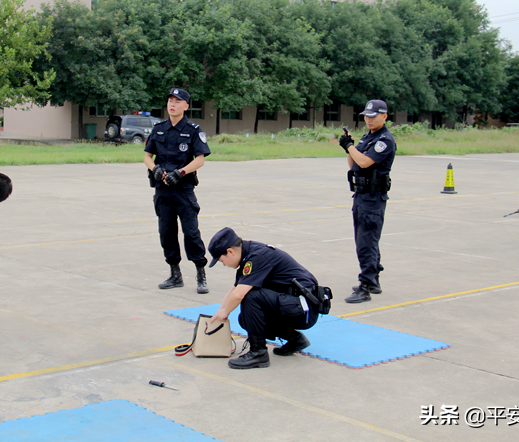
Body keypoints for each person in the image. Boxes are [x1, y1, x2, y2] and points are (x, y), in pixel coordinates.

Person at [207, 227, 323, 369]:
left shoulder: (257, 257)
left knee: (250, 296)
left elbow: (239, 294)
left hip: (304, 308)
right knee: (246, 319)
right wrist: (221, 310)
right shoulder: (247, 254)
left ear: (230, 251)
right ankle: (295, 339)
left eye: (222, 260)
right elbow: (235, 289)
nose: (224, 264)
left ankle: (258, 353)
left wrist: (226, 312)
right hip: (294, 304)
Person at [144, 88, 211, 294]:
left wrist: (181, 173)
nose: (172, 104)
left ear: (186, 106)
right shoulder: (159, 128)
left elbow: (200, 159)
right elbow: (147, 156)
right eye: (170, 101)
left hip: (183, 189)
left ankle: (200, 274)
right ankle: (175, 274)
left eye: (177, 101)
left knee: (191, 233)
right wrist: (155, 169)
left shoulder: (193, 130)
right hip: (163, 191)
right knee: (166, 233)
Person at [339, 99, 397, 303]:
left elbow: (364, 162)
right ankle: (373, 281)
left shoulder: (384, 140)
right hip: (362, 195)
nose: (369, 120)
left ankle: (365, 286)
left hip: (373, 198)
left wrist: (352, 147)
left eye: (373, 116)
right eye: (366, 116)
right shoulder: (367, 138)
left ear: (384, 116)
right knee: (365, 240)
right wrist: (349, 147)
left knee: (366, 242)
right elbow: (354, 163)